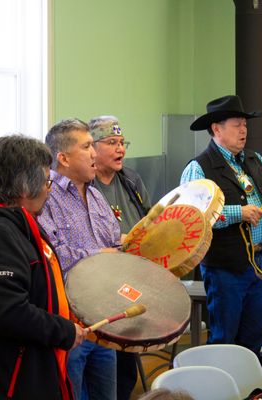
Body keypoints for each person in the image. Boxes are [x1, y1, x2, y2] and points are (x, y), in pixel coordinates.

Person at [0, 135, 87, 400]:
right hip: (2, 382)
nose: (49, 190)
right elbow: (10, 314)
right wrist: (64, 331)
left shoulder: (6, 225)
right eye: (46, 181)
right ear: (23, 186)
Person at [180, 95, 262, 357]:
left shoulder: (255, 160)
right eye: (236, 124)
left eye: (245, 124)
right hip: (225, 268)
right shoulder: (198, 168)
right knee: (225, 337)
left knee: (255, 336)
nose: (244, 130)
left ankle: (249, 393)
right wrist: (238, 213)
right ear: (216, 129)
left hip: (259, 262)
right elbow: (191, 218)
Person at [39, 118, 122, 400]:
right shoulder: (46, 197)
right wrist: (101, 256)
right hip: (69, 322)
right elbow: (53, 256)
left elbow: (114, 243)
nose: (93, 153)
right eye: (86, 147)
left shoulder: (97, 197)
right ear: (62, 157)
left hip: (103, 319)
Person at [89, 115, 151, 400]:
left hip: (131, 279)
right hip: (99, 284)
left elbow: (150, 220)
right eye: (112, 143)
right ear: (93, 147)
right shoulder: (85, 184)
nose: (120, 150)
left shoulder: (131, 179)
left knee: (126, 358)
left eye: (122, 143)